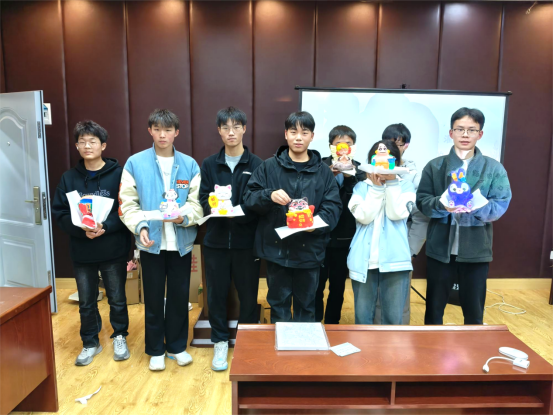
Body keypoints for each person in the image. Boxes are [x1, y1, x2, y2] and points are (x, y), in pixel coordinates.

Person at [119, 109, 203, 371]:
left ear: (176, 132)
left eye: (167, 130)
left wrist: (183, 217)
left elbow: (197, 204)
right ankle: (155, 349)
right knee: (153, 298)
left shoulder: (189, 164)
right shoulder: (135, 163)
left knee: (179, 297)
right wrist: (140, 227)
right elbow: (127, 203)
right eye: (157, 129)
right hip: (151, 243)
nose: (162, 135)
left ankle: (177, 347)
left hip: (181, 244)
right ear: (150, 131)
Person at [416, 107, 512, 325]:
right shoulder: (435, 166)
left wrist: (476, 207)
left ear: (480, 134)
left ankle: (473, 345)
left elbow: (501, 204)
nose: (465, 134)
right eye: (460, 129)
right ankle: (431, 345)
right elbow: (422, 201)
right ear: (451, 133)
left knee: (474, 313)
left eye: (471, 130)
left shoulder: (494, 168)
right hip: (440, 250)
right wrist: (442, 205)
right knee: (433, 312)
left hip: (476, 251)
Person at [244, 111, 341, 323]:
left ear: (312, 136)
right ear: (286, 134)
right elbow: (249, 197)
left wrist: (315, 225)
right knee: (278, 307)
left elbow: (333, 207)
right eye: (293, 132)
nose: (298, 137)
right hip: (276, 251)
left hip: (310, 253)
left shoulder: (323, 172)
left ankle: (303, 345)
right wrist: (269, 195)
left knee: (306, 308)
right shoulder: (268, 166)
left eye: (304, 132)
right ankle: (281, 345)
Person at [52, 120, 131, 366]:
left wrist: (105, 226)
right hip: (82, 249)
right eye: (82, 142)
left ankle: (119, 336)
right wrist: (80, 230)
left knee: (117, 298)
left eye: (92, 141)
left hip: (113, 248)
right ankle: (90, 342)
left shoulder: (119, 175)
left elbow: (127, 209)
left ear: (103, 145)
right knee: (86, 302)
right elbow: (60, 213)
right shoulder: (68, 178)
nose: (87, 146)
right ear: (77, 146)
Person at [199, 107, 263, 371]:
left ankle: (246, 341)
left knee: (248, 295)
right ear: (219, 131)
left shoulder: (257, 164)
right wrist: (215, 207)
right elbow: (203, 198)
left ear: (244, 129)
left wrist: (239, 213)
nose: (231, 132)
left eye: (236, 126)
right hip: (215, 241)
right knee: (216, 295)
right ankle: (220, 341)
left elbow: (259, 201)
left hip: (246, 243)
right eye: (225, 127)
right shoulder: (209, 164)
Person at [348, 140, 415, 325]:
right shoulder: (361, 187)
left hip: (396, 261)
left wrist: (392, 183)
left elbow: (396, 213)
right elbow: (363, 216)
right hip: (363, 261)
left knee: (393, 320)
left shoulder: (406, 186)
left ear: (395, 162)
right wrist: (377, 189)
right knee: (363, 319)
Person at [373, 123, 430, 324]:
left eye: (398, 144)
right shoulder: (371, 170)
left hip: (401, 246)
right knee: (372, 296)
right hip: (374, 244)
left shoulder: (413, 175)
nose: (393, 148)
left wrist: (411, 251)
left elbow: (420, 217)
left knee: (399, 299)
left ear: (406, 145)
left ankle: (399, 336)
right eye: (388, 143)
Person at [315, 125, 366, 324]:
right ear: (331, 146)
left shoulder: (361, 170)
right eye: (338, 144)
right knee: (317, 285)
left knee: (338, 286)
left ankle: (332, 325)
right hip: (320, 236)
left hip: (346, 237)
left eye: (348, 144)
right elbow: (314, 194)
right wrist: (329, 174)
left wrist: (349, 178)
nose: (343, 148)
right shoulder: (320, 166)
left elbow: (359, 202)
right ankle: (314, 322)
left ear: (353, 147)